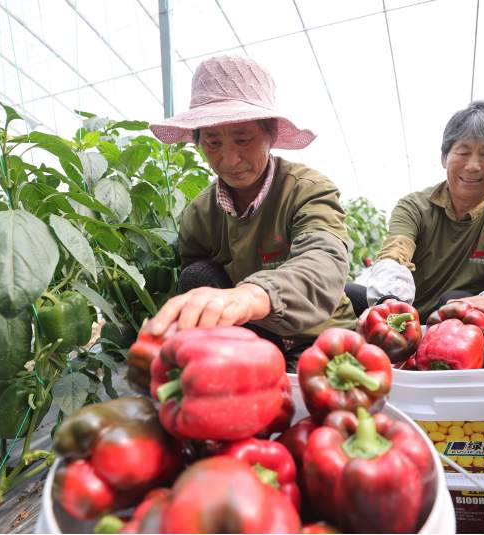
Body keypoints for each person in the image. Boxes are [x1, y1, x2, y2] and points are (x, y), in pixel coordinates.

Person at [143, 54, 356, 366]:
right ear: (198, 142)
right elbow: (200, 281)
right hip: (252, 335)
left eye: (243, 139)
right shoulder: (200, 214)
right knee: (196, 275)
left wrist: (253, 295)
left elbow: (323, 261)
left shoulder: (307, 189)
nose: (230, 160)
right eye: (213, 144)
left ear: (270, 136)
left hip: (319, 333)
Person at [348, 101, 484, 334]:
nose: (473, 165)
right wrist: (389, 303)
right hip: (407, 315)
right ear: (444, 157)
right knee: (344, 294)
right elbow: (394, 256)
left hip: (462, 323)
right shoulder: (414, 206)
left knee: (457, 300)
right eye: (463, 151)